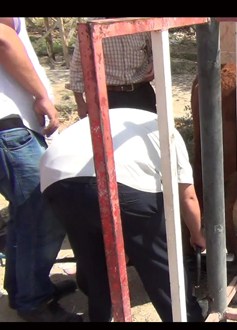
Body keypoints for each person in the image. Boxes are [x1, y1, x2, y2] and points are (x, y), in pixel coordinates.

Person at [39, 107, 207, 322]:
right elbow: (188, 197)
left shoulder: (99, 120)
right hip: (122, 183)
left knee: (92, 257)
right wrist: (196, 234)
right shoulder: (168, 132)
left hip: (56, 179)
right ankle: (187, 316)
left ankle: (101, 316)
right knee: (159, 260)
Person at [0, 17, 81, 322]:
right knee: (45, 211)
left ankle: (24, 288)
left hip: (11, 128)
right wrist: (41, 94)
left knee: (26, 214)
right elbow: (4, 39)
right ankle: (33, 302)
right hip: (8, 127)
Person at [67, 17, 156, 119]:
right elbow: (78, 66)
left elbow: (154, 50)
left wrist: (154, 63)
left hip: (141, 93)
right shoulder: (91, 29)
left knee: (148, 130)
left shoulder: (141, 24)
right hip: (108, 97)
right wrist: (80, 102)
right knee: (111, 134)